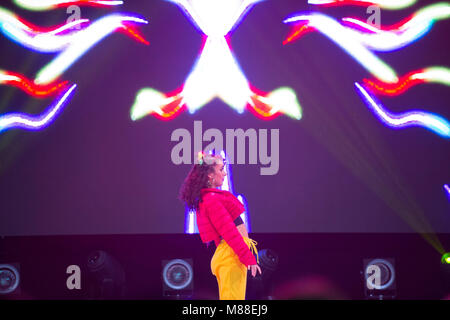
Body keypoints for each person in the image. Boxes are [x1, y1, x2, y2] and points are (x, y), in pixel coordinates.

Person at [179, 151, 261, 300]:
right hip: (231, 256)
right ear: (210, 175)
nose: (224, 173)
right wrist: (249, 258)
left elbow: (220, 235)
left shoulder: (211, 197)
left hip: (230, 255)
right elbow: (230, 233)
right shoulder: (211, 200)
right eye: (221, 169)